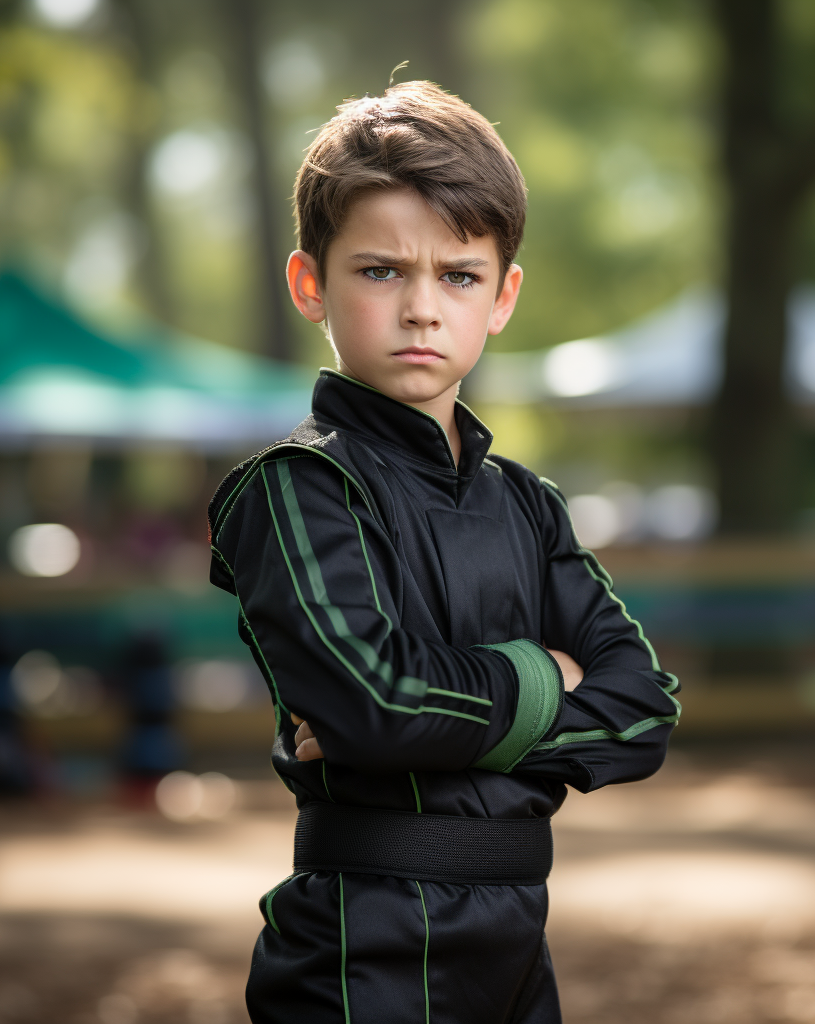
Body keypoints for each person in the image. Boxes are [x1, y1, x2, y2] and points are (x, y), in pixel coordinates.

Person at [208, 80, 681, 1024]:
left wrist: (448, 715)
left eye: (458, 276)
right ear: (312, 283)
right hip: (361, 947)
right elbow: (378, 704)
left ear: (502, 296)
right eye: (381, 271)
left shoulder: (527, 504)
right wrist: (545, 676)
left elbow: (642, 710)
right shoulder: (298, 489)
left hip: (516, 952)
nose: (423, 309)